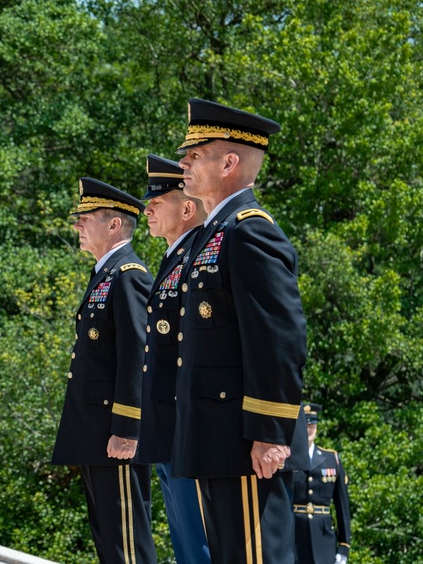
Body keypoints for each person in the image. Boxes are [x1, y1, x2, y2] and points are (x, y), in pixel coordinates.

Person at [172, 99, 308, 563]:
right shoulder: (213, 234)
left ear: (229, 162)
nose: (183, 163)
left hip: (244, 440)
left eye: (195, 155)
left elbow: (279, 337)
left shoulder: (249, 232)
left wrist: (271, 432)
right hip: (214, 435)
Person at [51, 177, 157, 564]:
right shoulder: (106, 273)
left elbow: (137, 355)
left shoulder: (129, 275)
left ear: (114, 225)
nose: (77, 225)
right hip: (95, 430)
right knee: (109, 540)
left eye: (85, 217)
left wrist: (127, 429)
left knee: (127, 541)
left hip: (115, 435)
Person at [139, 155, 210, 564]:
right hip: (167, 422)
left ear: (186, 209)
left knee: (201, 543)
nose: (146, 209)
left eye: (156, 202)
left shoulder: (194, 260)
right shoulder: (172, 262)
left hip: (187, 422)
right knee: (184, 542)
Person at [292, 403, 351, 564]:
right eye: (305, 425)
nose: (308, 429)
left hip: (324, 539)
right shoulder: (288, 459)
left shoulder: (332, 459)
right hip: (294, 538)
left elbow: (342, 506)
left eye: (312, 425)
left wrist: (344, 547)